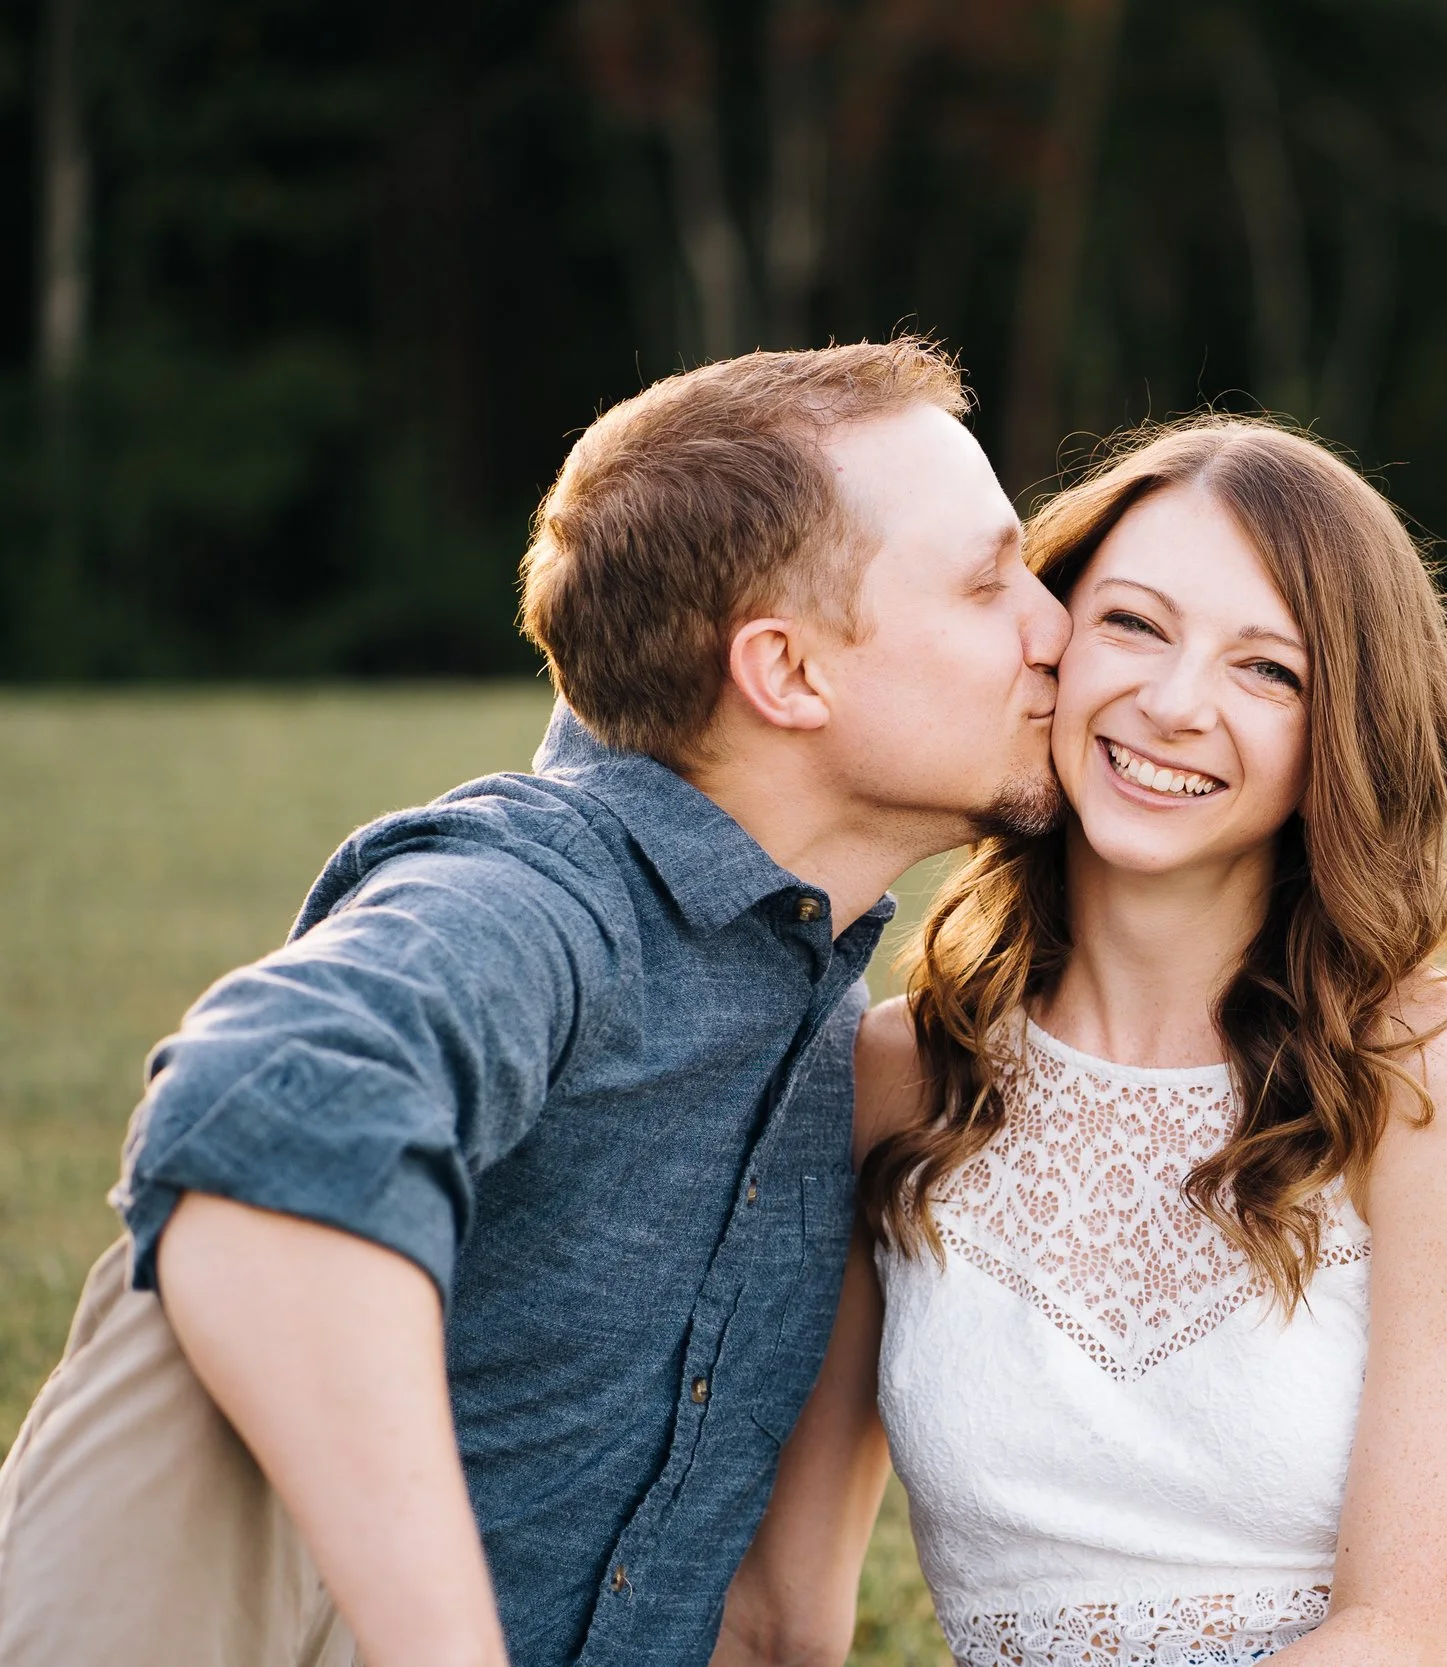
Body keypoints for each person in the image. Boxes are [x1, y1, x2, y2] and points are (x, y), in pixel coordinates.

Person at [0, 340, 1072, 1667]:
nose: (1057, 628)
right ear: (790, 672)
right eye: (989, 581)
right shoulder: (531, 896)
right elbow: (262, 1114)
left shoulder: (816, 1009)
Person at [714, 420, 1447, 1665]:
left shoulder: (1440, 1073)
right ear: (1047, 640)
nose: (1174, 703)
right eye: (1133, 624)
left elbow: (1403, 1630)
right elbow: (777, 1615)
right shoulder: (892, 1074)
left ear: (1339, 733)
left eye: (1269, 671)